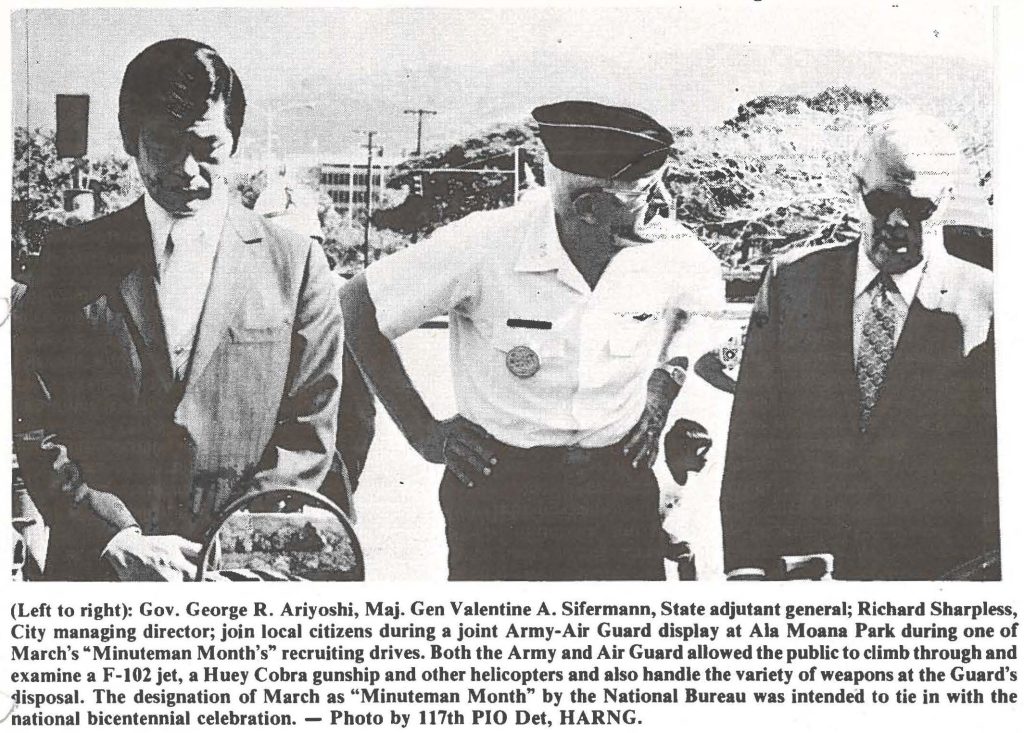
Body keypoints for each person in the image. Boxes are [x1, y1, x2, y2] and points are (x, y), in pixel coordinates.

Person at [342, 100, 724, 580]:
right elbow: (358, 306)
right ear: (589, 207)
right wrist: (423, 432)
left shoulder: (667, 248)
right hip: (501, 493)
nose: (661, 204)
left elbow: (704, 307)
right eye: (644, 193)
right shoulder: (486, 245)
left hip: (618, 484)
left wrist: (664, 382)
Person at [18, 38, 343, 581]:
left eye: (207, 146)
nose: (188, 170)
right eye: (165, 145)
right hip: (101, 573)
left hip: (243, 579)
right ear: (130, 140)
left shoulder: (297, 264)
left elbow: (311, 424)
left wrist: (236, 545)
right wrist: (114, 536)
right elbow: (29, 415)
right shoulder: (69, 261)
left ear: (233, 138)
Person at [720, 111, 998, 581]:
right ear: (856, 188)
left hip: (938, 577)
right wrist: (745, 567)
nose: (895, 222)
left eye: (918, 207)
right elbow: (752, 438)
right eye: (881, 200)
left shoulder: (989, 303)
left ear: (946, 200)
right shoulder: (791, 282)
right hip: (801, 572)